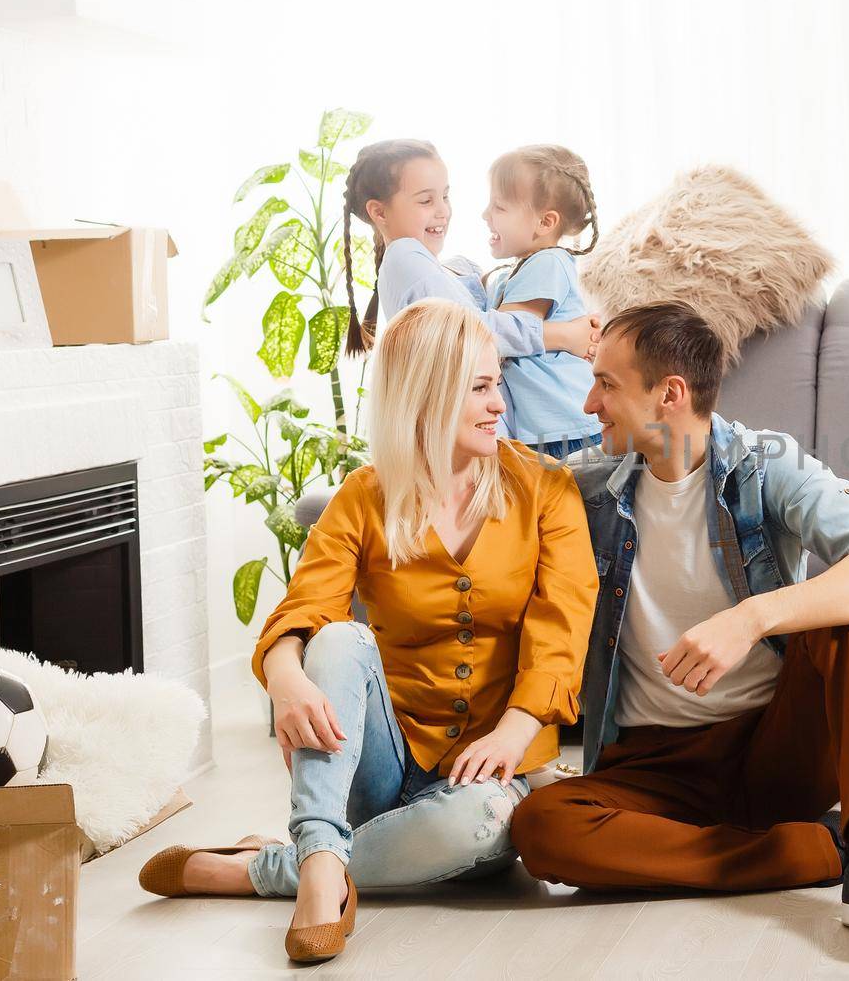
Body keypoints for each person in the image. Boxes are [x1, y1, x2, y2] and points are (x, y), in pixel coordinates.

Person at [137, 300, 598, 964]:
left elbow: (564, 623)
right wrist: (288, 677)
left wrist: (515, 729)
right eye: (479, 386)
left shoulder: (545, 490)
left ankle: (267, 867)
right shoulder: (365, 494)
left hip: (487, 778)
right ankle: (324, 857)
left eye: (496, 382)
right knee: (336, 640)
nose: (500, 402)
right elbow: (303, 610)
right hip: (379, 765)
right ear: (427, 394)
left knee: (481, 824)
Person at [509, 301, 849, 938]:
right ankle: (824, 847)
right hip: (651, 768)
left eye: (606, 384)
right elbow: (482, 481)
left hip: (772, 750)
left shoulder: (764, 465)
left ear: (669, 394)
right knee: (542, 829)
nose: (589, 405)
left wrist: (753, 617)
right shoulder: (587, 490)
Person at [336, 138, 602, 439]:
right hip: (486, 436)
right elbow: (472, 333)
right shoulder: (405, 256)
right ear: (379, 213)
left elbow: (484, 311)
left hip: (533, 430)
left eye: (445, 197)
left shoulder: (443, 267)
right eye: (426, 201)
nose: (443, 212)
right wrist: (566, 335)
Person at [479, 144, 604, 460]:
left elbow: (504, 334)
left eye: (499, 207)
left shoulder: (547, 262)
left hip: (564, 426)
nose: (485, 215)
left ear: (545, 222)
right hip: (551, 426)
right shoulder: (523, 269)